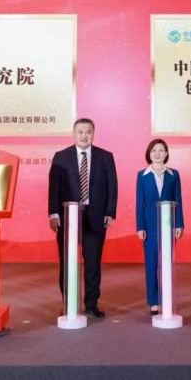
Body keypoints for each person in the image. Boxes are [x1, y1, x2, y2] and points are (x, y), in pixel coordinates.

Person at [48, 118, 118, 317]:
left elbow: (112, 186)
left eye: (88, 132)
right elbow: (54, 188)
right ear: (74, 133)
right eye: (80, 132)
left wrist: (110, 212)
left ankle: (91, 304)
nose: (84, 135)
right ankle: (68, 304)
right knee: (67, 262)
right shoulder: (61, 157)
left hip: (95, 217)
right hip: (67, 217)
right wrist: (53, 213)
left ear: (93, 133)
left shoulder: (105, 157)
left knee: (93, 263)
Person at [135, 139, 184, 315]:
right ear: (149, 153)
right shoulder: (142, 175)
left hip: (168, 225)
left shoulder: (174, 175)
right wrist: (140, 227)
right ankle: (154, 301)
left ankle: (166, 298)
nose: (157, 153)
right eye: (154, 150)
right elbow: (139, 203)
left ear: (166, 153)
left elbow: (178, 201)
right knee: (151, 264)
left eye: (161, 150)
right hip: (149, 226)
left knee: (166, 264)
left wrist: (179, 224)